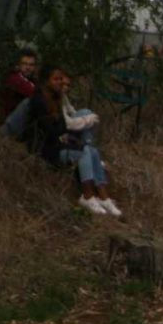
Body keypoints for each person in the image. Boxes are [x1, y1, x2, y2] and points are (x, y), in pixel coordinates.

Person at [25, 65, 121, 217]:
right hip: (46, 150)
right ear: (45, 81)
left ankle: (104, 196)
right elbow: (50, 131)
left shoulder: (56, 99)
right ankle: (87, 196)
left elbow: (63, 126)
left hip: (58, 144)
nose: (60, 83)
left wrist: (67, 136)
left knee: (92, 150)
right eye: (56, 79)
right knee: (85, 152)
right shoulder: (39, 101)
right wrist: (65, 135)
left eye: (61, 79)